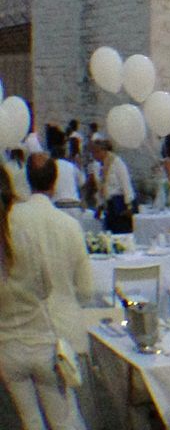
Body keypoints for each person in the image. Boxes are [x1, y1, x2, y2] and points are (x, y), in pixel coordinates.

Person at [1, 156, 92, 430]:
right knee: (65, 420)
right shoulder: (59, 226)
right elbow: (82, 289)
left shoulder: (14, 225)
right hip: (47, 337)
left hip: (7, 344)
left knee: (30, 421)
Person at [90, 139, 134, 233]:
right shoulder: (97, 166)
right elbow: (100, 187)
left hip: (119, 201)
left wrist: (129, 205)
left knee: (121, 229)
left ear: (103, 151)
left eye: (96, 152)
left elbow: (125, 182)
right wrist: (99, 205)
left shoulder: (116, 162)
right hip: (108, 204)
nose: (94, 156)